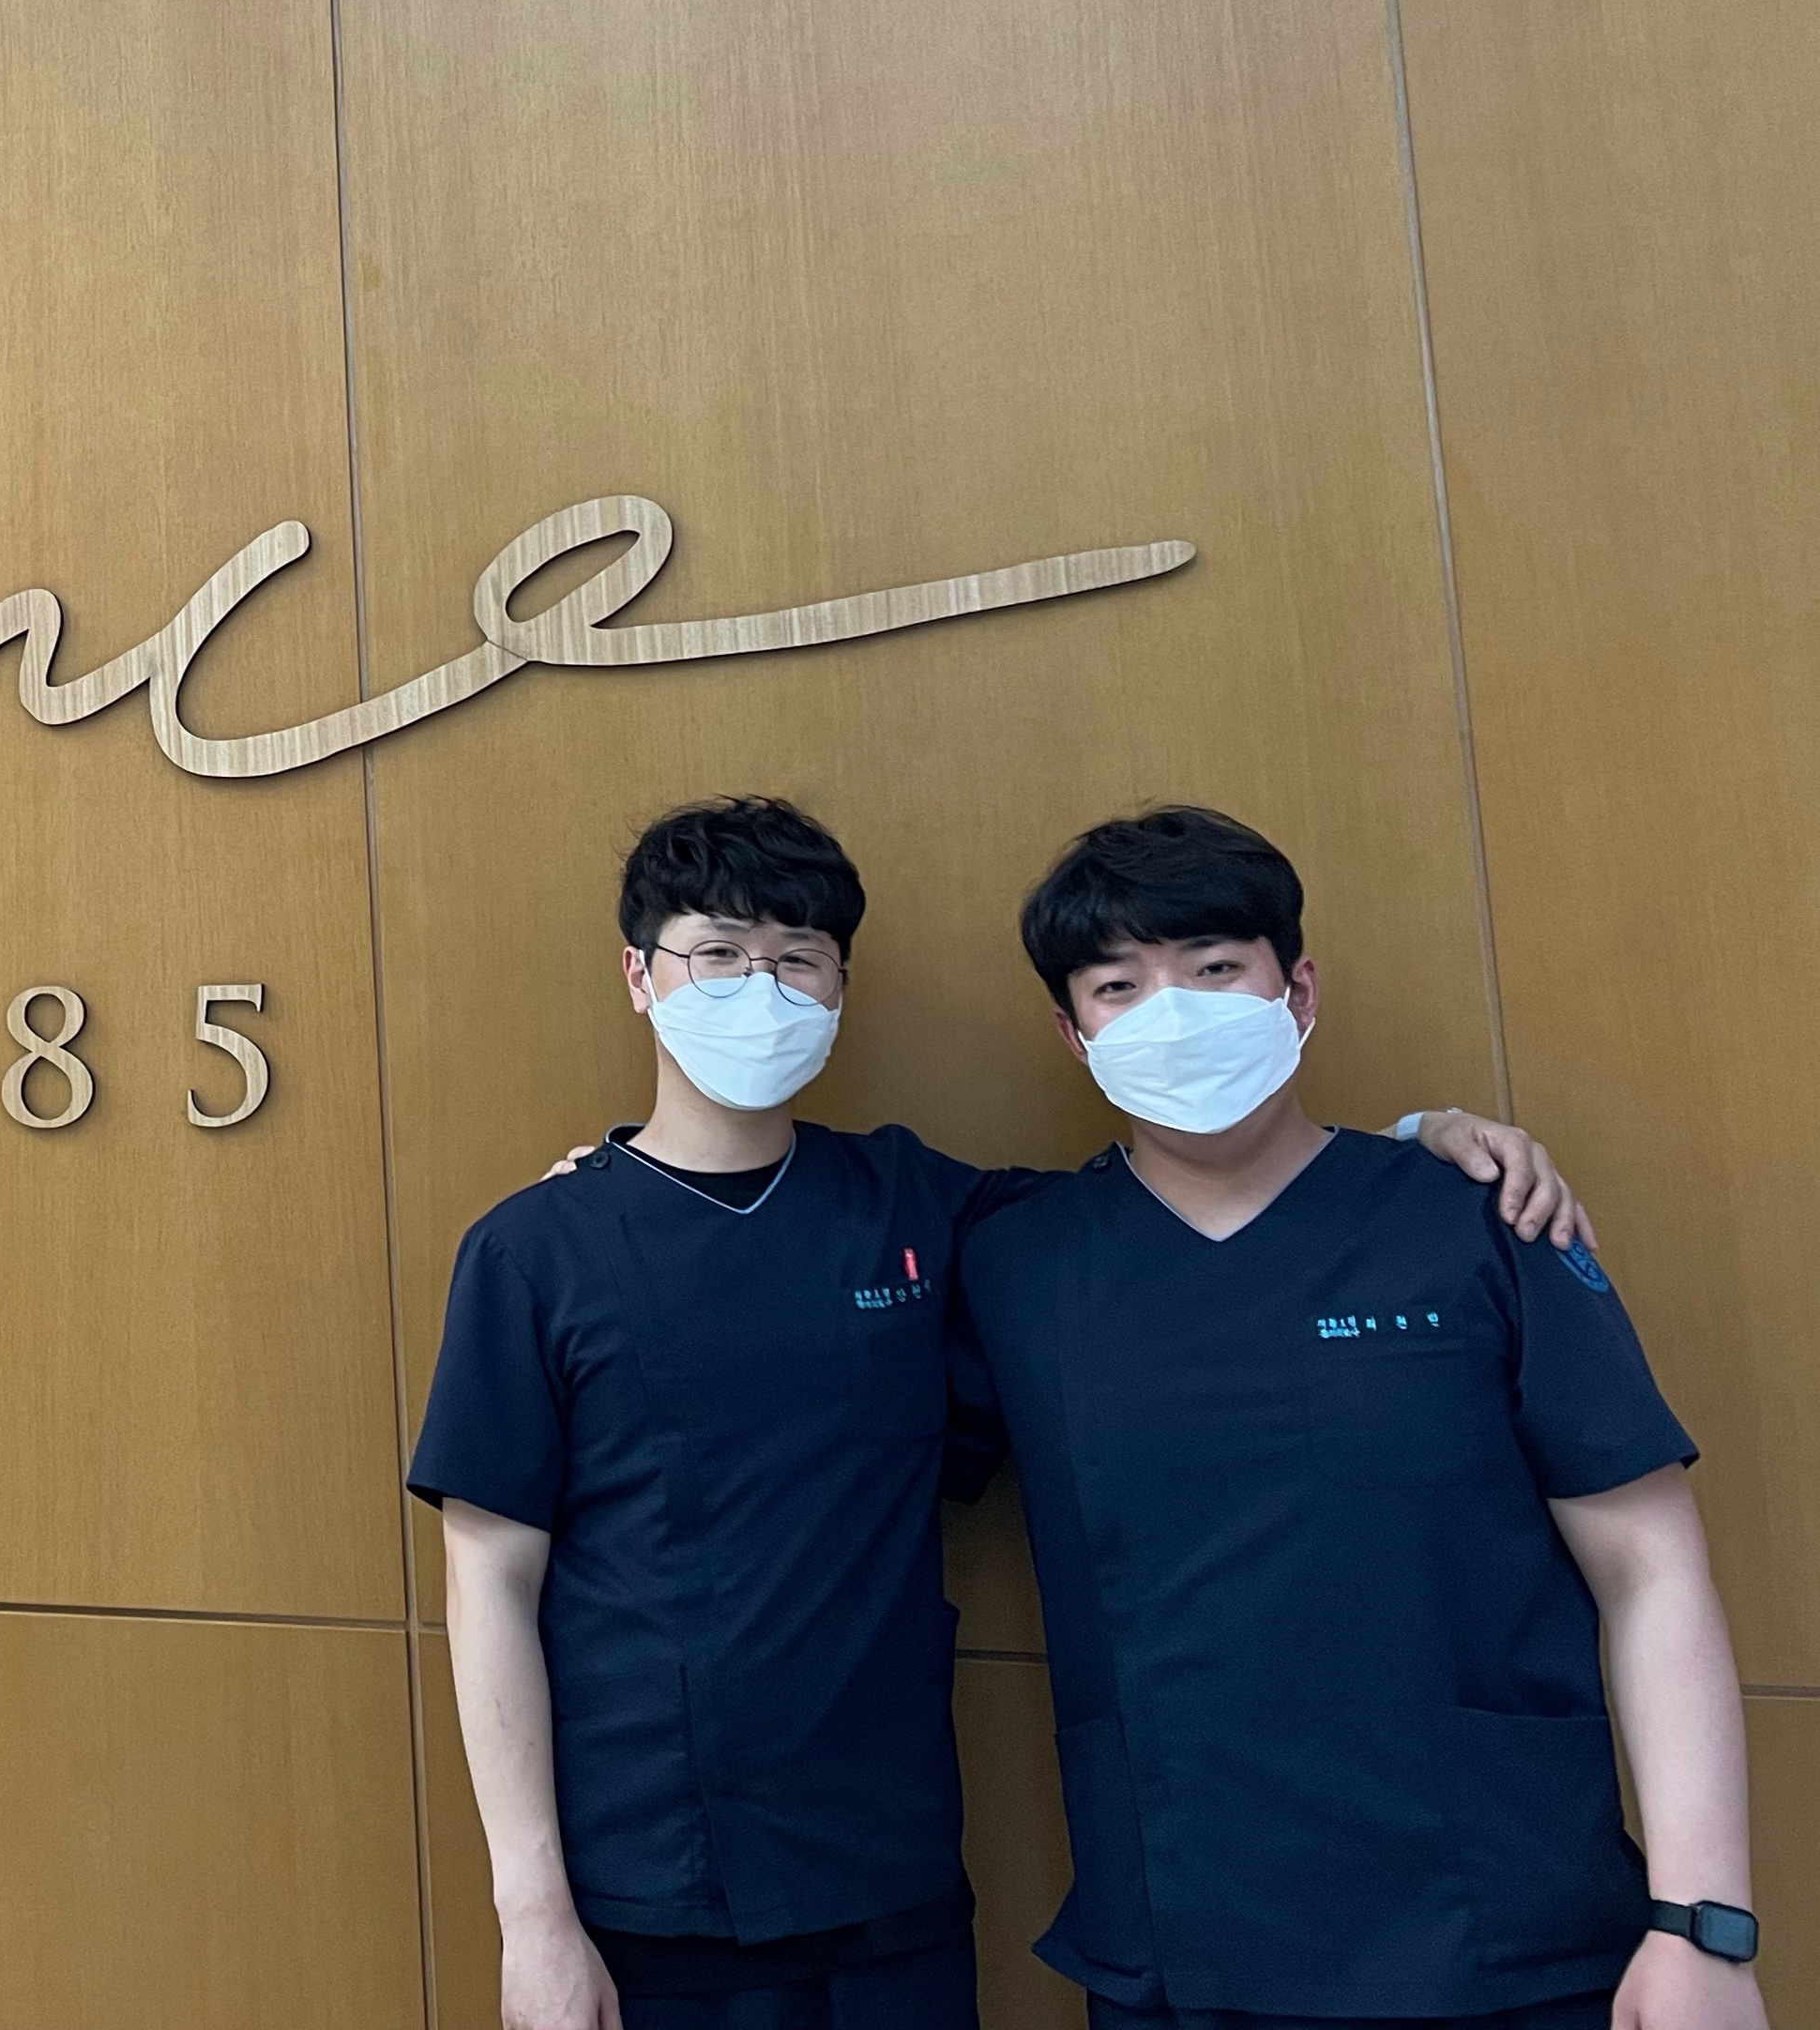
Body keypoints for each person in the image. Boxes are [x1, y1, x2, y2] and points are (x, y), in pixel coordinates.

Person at [410, 797, 1587, 2030]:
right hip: (648, 1879)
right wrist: (532, 1915)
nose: (761, 989)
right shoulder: (535, 1251)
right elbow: (488, 1580)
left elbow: (1181, 1207)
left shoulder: (920, 1208)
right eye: (718, 954)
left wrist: (1417, 1143)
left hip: (894, 1871)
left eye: (799, 958)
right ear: (640, 975)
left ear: (839, 986)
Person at [952, 806, 1764, 2030]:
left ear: (1298, 991)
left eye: (1215, 969)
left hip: (1504, 1930)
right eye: (1119, 987)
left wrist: (1703, 1922)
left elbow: (1651, 1570)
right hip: (1187, 1942)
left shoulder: (1483, 1223)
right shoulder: (1016, 1262)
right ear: (1074, 1035)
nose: (1174, 1015)